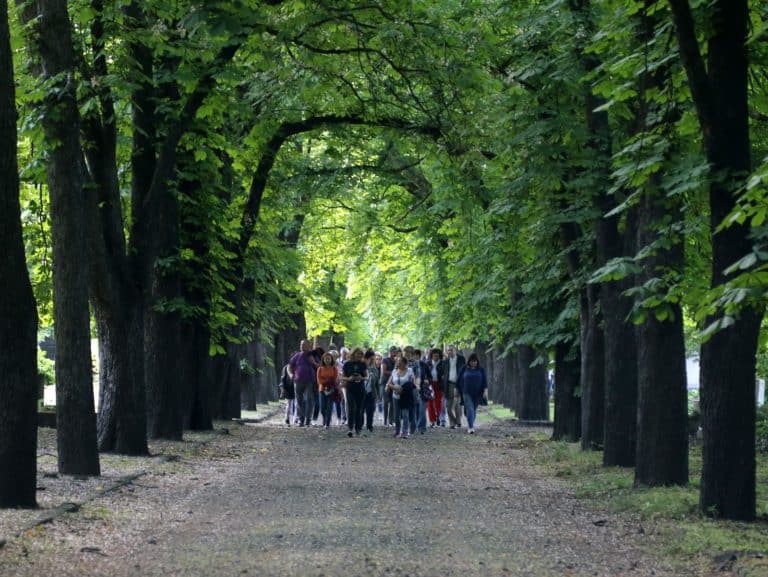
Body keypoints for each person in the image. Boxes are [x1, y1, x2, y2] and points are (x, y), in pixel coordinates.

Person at [288, 339, 320, 427]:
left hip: (310, 381)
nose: (302, 346)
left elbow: (320, 367)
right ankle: (300, 419)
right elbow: (290, 366)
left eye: (304, 344)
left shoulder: (313, 355)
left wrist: (313, 362)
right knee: (299, 400)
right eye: (301, 344)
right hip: (298, 381)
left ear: (309, 346)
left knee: (309, 399)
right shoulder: (297, 355)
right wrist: (291, 374)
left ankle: (308, 419)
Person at [457, 353, 487, 434]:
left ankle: (470, 422)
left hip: (478, 393)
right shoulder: (464, 368)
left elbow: (485, 381)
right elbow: (459, 379)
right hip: (466, 392)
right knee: (470, 408)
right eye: (472, 361)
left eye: (475, 361)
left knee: (473, 409)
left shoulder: (481, 369)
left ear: (477, 362)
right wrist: (457, 390)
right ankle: (471, 427)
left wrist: (485, 391)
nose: (473, 363)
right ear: (469, 361)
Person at [386, 356, 415, 439]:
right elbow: (389, 383)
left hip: (405, 396)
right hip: (395, 396)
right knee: (396, 415)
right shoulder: (394, 371)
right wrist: (395, 387)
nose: (398, 363)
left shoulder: (410, 371)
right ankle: (397, 431)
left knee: (405, 414)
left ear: (405, 363)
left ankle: (405, 432)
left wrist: (403, 389)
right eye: (397, 361)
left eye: (400, 361)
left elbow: (412, 383)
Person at [342, 347, 368, 437]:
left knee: (359, 409)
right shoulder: (347, 364)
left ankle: (358, 428)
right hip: (350, 388)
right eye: (358, 354)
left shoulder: (363, 364)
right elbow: (343, 377)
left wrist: (361, 378)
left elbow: (366, 376)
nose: (359, 356)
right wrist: (349, 378)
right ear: (353, 354)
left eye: (361, 354)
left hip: (360, 389)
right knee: (351, 408)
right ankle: (350, 428)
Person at [443, 345, 466, 429]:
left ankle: (458, 422)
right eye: (448, 350)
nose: (449, 352)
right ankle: (453, 422)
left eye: (451, 350)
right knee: (449, 406)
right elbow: (443, 373)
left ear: (455, 350)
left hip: (459, 384)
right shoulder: (445, 361)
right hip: (449, 385)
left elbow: (464, 371)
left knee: (457, 404)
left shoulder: (461, 359)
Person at [316, 352, 339, 429]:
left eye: (329, 359)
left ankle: (327, 423)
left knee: (329, 407)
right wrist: (327, 381)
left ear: (331, 359)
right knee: (322, 407)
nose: (327, 360)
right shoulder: (320, 369)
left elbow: (335, 379)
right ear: (323, 359)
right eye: (326, 359)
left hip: (331, 390)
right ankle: (325, 418)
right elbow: (319, 380)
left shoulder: (334, 369)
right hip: (322, 390)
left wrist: (329, 382)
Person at [380, 346, 398, 427]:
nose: (395, 353)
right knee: (386, 402)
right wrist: (394, 372)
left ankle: (391, 421)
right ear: (390, 352)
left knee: (392, 402)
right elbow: (384, 371)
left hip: (393, 383)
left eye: (396, 352)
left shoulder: (397, 361)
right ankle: (385, 421)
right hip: (385, 383)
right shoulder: (385, 360)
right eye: (394, 351)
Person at [363, 350, 379, 432]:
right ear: (366, 359)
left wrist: (378, 395)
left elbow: (377, 383)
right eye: (371, 359)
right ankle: (360, 425)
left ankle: (369, 426)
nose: (373, 361)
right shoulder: (361, 367)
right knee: (361, 410)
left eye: (374, 359)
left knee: (371, 409)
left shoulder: (375, 369)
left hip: (371, 392)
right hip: (361, 392)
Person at [279, 361, 296, 426]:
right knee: (289, 403)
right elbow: (283, 378)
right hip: (288, 388)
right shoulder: (286, 367)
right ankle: (287, 418)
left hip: (296, 387)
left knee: (296, 404)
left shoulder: (298, 367)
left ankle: (294, 419)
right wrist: (282, 388)